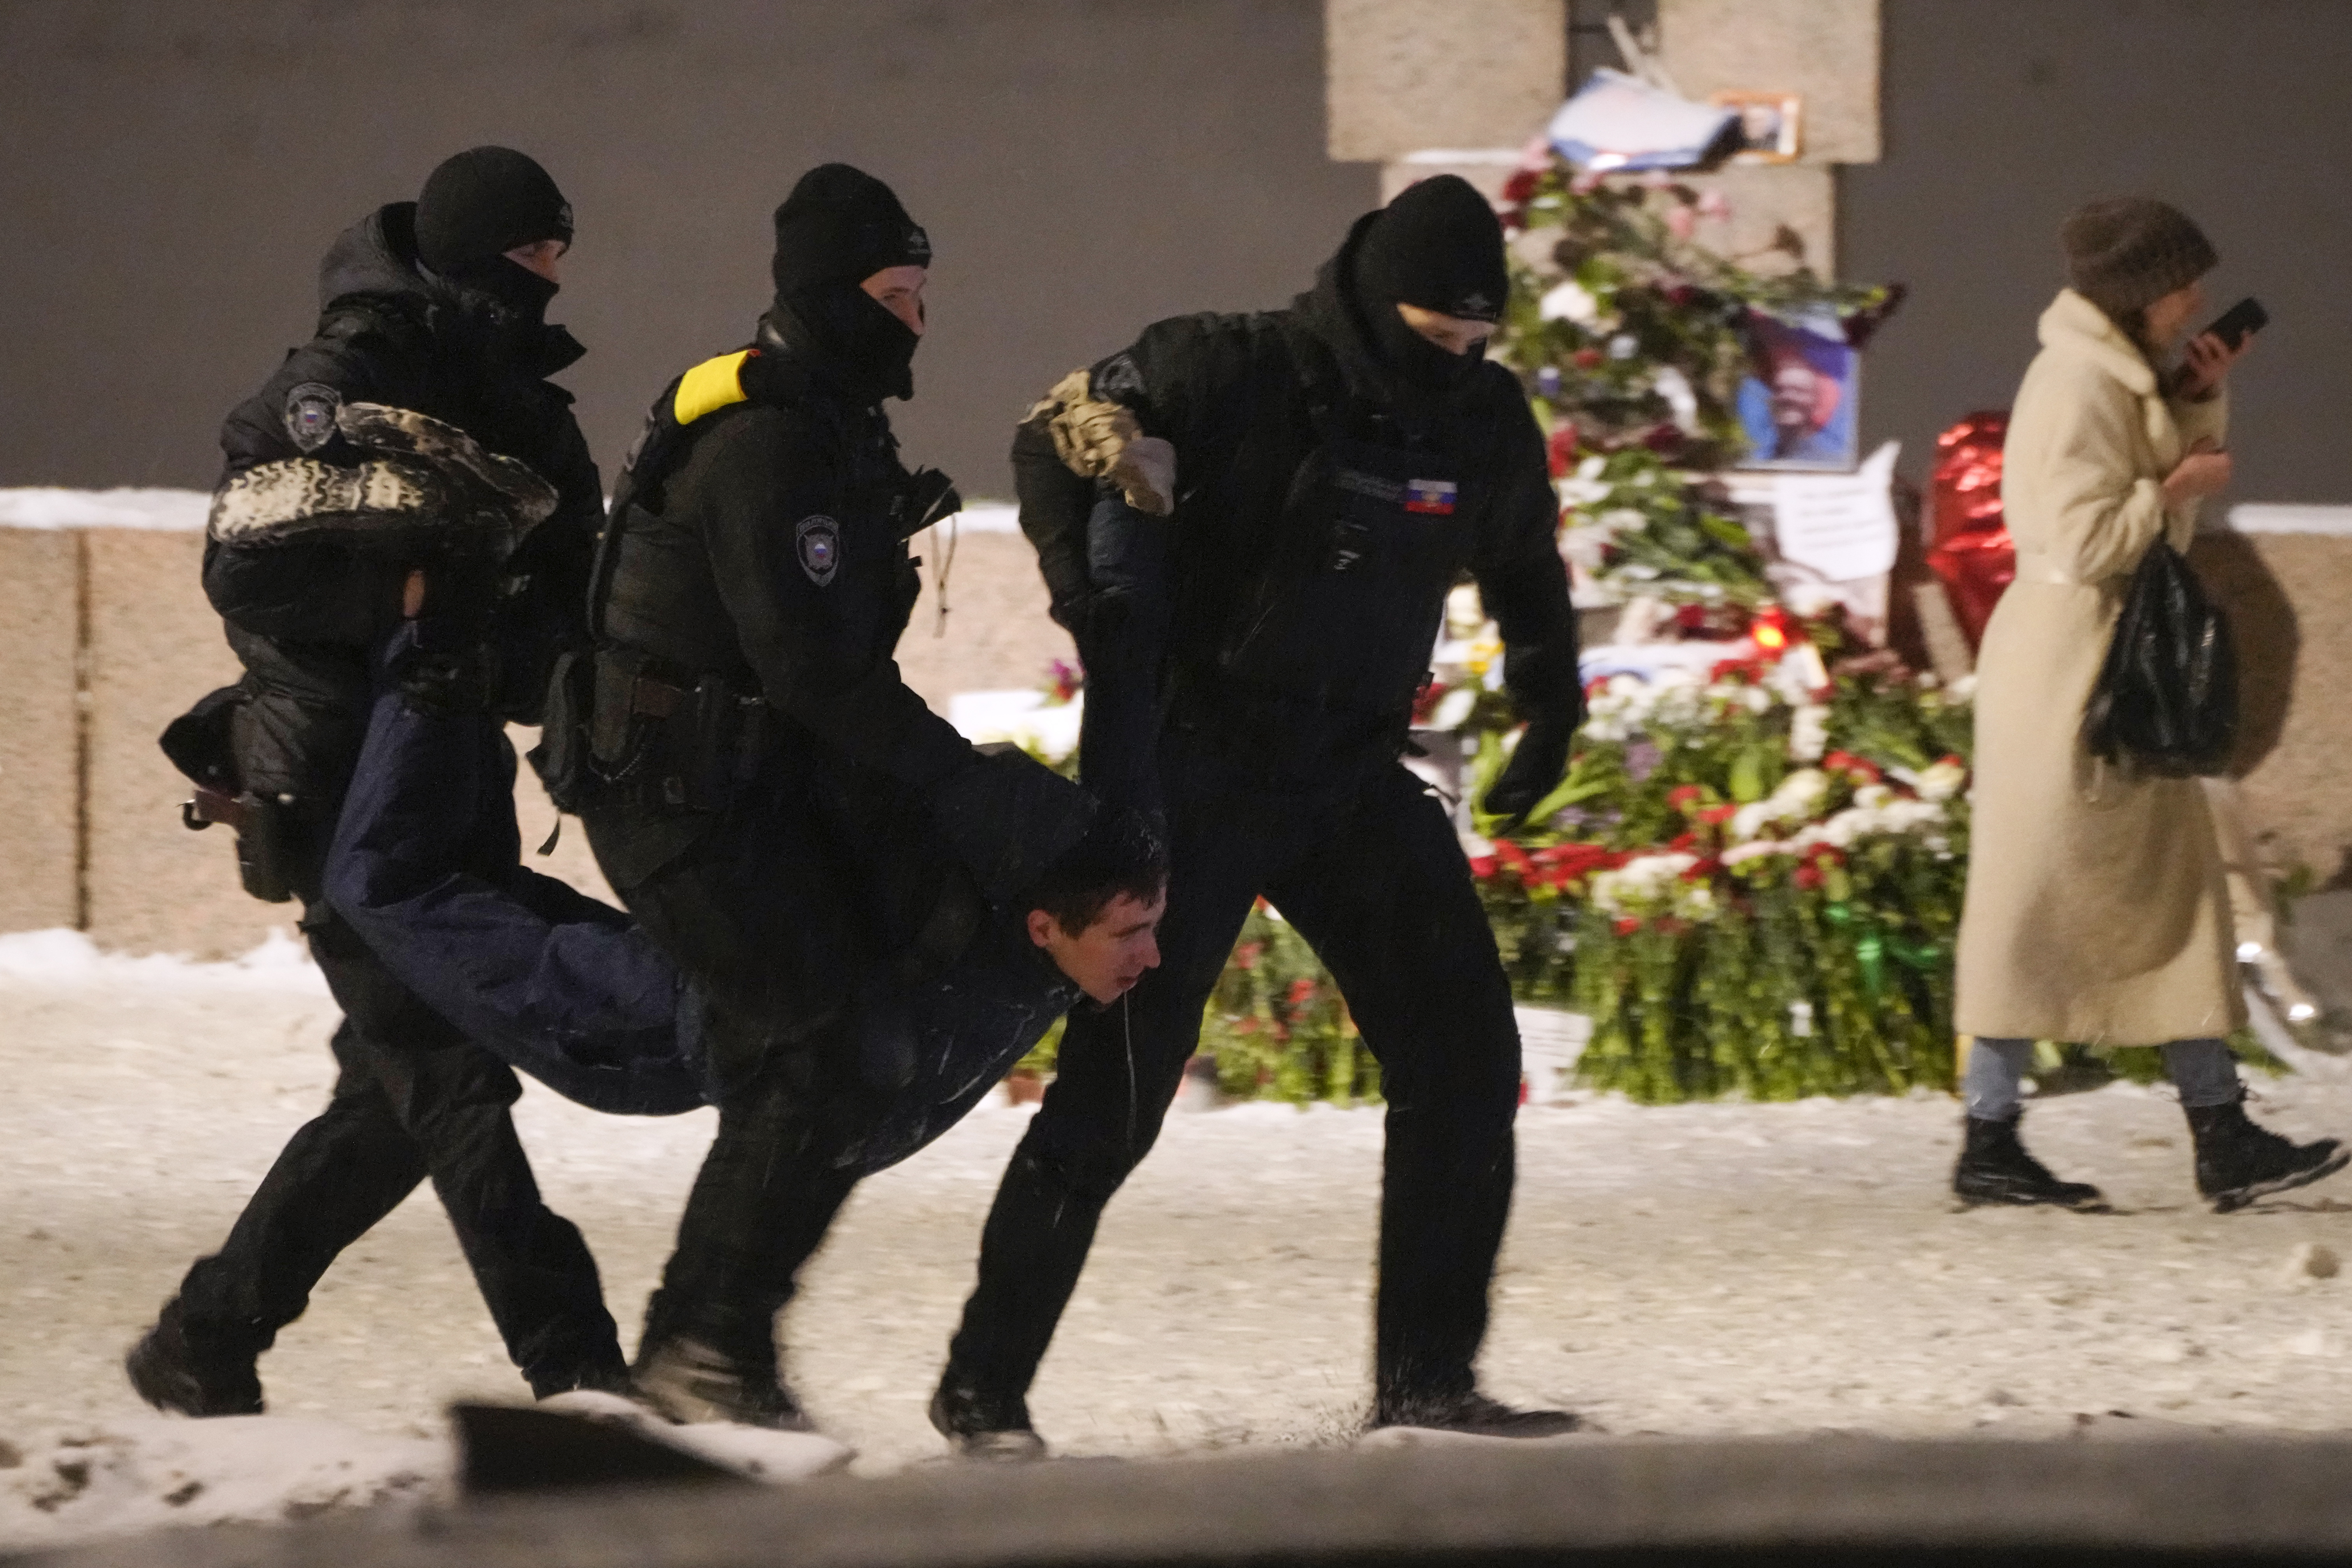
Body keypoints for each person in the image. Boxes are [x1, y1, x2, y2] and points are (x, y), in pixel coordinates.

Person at [929, 174, 1586, 1457]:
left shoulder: (1480, 421)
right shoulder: (1233, 366)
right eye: (1433, 334)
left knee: (1463, 1058)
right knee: (1116, 1091)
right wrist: (1100, 604)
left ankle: (1426, 1387)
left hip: (1346, 779)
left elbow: (1523, 559)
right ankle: (983, 1388)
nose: (1452, 360)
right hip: (1199, 771)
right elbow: (1058, 432)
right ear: (1373, 299)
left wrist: (1550, 705)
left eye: (1475, 340)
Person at [570, 163, 1132, 1429]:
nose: (918, 316)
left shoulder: (832, 430)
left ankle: (718, 1349)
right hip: (679, 797)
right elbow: (811, 668)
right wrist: (965, 793)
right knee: (814, 1043)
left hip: (762, 781)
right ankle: (699, 1355)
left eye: (924, 290)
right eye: (895, 291)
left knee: (863, 1044)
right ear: (830, 298)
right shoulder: (767, 443)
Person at [128, 147, 627, 1415]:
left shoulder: (525, 405)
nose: (548, 281)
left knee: (400, 1096)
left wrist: (531, 655)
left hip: (450, 783)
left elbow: (562, 602)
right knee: (448, 1076)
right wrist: (406, 599)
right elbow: (250, 568)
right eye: (529, 257)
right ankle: (576, 1372)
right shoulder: (341, 383)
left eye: (559, 258)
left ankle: (209, 1334)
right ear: (469, 256)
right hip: (338, 791)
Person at [321, 609, 1166, 1174]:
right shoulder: (979, 919)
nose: (1152, 955)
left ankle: (434, 660)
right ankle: (421, 654)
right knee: (384, 886)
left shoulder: (1038, 941)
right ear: (1045, 924)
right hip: (660, 1020)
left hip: (676, 1025)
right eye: (1131, 931)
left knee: (453, 900)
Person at [1952, 197, 2346, 1213]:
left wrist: (2195, 403)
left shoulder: (2110, 377)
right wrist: (2173, 483)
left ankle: (2211, 1128)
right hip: (2070, 664)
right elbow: (2084, 539)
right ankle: (1997, 1137)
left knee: (2168, 890)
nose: (2197, 298)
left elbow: (2147, 509)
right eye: (2181, 283)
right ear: (2137, 291)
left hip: (2101, 656)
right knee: (2030, 898)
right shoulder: (2077, 381)